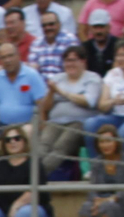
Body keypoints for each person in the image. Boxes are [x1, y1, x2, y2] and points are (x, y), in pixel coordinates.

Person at [0, 43, 47, 162]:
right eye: (3, 57)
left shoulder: (31, 75)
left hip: (26, 124)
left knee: (27, 130)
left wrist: (42, 127)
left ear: (18, 56)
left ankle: (22, 167)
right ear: (0, 60)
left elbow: (41, 103)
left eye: (10, 56)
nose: (7, 60)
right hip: (3, 124)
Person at [38, 45, 101, 175]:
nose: (70, 64)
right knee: (43, 145)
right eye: (67, 60)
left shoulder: (92, 78)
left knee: (61, 145)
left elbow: (89, 101)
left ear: (83, 61)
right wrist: (51, 92)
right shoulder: (58, 78)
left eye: (74, 60)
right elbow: (46, 107)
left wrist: (61, 92)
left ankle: (37, 175)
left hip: (79, 122)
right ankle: (30, 173)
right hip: (56, 121)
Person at [80, 123, 124, 217]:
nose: (105, 145)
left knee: (107, 207)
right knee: (86, 208)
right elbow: (92, 188)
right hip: (100, 202)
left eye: (108, 141)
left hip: (121, 203)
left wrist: (110, 199)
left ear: (116, 142)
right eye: (101, 142)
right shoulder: (97, 163)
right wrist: (96, 200)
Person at [29, 8, 81, 79]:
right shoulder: (36, 43)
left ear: (59, 24)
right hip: (42, 85)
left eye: (51, 24)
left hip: (64, 83)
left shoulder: (70, 40)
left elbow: (75, 67)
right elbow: (33, 69)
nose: (48, 28)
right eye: (44, 25)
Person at [81, 9, 118, 76]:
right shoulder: (84, 47)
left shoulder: (118, 45)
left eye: (101, 27)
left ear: (108, 27)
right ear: (90, 28)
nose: (98, 31)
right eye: (95, 27)